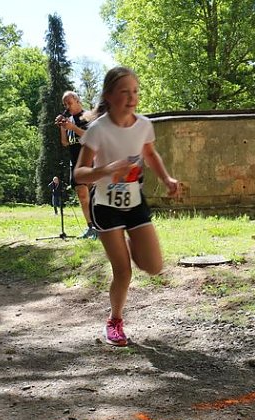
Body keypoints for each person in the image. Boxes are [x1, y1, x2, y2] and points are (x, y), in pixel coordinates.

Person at [74, 67, 181, 346]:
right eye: (125, 91)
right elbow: (79, 174)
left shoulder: (144, 125)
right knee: (123, 271)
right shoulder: (98, 130)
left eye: (135, 91)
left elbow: (149, 153)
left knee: (155, 266)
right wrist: (107, 170)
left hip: (134, 201)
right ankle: (115, 321)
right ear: (108, 96)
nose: (132, 97)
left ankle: (133, 243)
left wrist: (166, 178)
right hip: (106, 205)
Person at [56, 91, 98, 239]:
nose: (67, 106)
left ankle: (100, 226)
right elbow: (65, 142)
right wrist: (63, 127)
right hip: (75, 163)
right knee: (81, 194)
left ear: (77, 100)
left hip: (91, 160)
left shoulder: (88, 116)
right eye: (65, 104)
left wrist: (72, 128)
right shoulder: (69, 121)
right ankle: (90, 227)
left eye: (69, 103)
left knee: (93, 194)